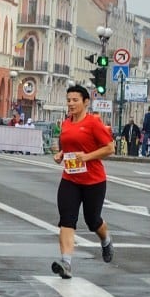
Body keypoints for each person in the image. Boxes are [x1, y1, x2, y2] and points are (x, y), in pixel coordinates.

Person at [51, 85, 116, 278]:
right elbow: (69, 145)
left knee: (92, 220)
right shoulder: (66, 123)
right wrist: (61, 154)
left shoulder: (93, 123)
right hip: (70, 179)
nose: (70, 104)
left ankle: (105, 240)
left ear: (86, 102)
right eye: (68, 100)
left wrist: (86, 157)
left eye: (75, 100)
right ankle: (66, 263)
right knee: (66, 220)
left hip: (93, 181)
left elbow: (110, 148)